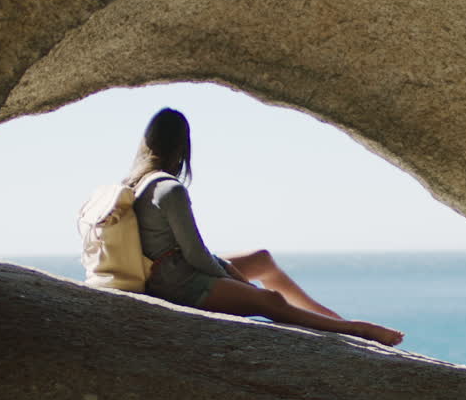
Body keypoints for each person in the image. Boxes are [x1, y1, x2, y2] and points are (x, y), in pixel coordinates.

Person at [126, 107, 404, 347]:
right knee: (270, 301)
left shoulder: (136, 182)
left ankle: (330, 319)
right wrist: (237, 281)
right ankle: (354, 329)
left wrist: (228, 270)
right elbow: (196, 256)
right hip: (178, 283)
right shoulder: (169, 189)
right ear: (182, 146)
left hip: (164, 269)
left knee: (261, 260)